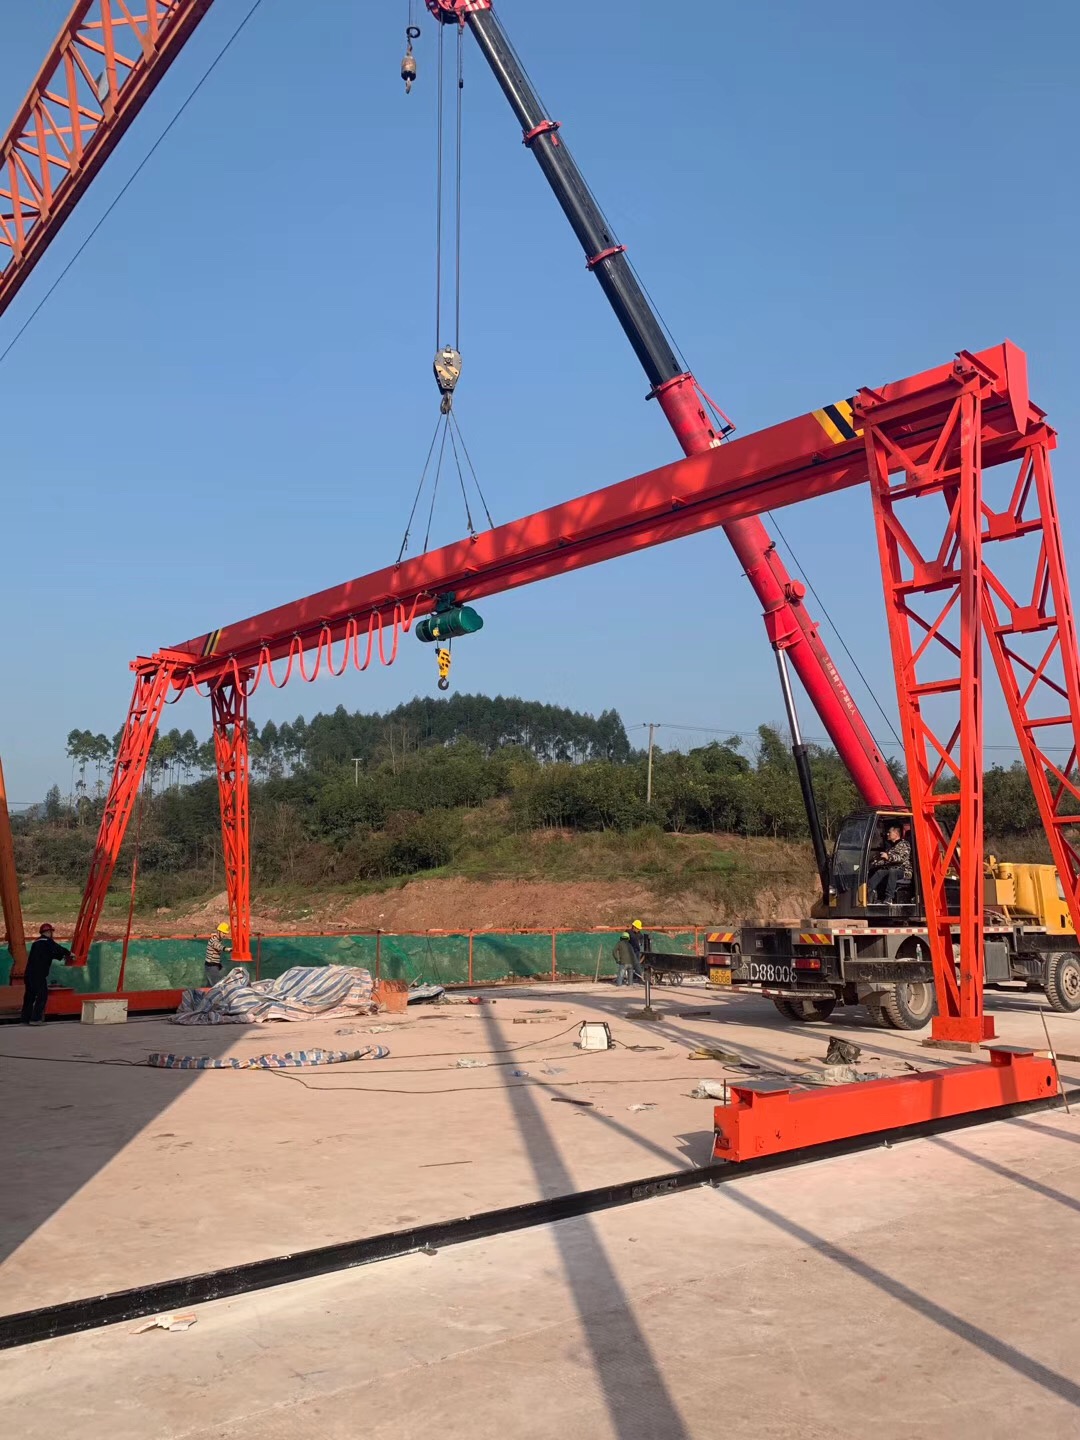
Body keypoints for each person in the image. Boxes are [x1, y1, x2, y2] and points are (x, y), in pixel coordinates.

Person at [21, 923, 72, 1026]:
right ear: (49, 932)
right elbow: (58, 948)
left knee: (29, 997)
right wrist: (69, 953)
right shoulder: (47, 942)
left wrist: (60, 956)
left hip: (28, 974)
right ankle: (36, 1019)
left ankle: (25, 1018)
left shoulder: (36, 943)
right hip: (38, 975)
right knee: (42, 995)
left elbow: (49, 954)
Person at [869, 825, 913, 903]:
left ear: (896, 833)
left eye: (889, 832)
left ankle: (889, 897)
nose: (887, 834)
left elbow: (901, 858)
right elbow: (886, 861)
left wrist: (888, 857)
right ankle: (867, 892)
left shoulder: (904, 844)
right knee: (880, 872)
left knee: (893, 871)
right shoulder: (891, 847)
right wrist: (874, 863)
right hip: (892, 869)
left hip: (904, 871)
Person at [204, 921, 231, 986]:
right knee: (217, 985)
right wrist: (227, 949)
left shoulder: (218, 940)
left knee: (210, 985)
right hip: (211, 966)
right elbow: (218, 946)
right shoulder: (214, 940)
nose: (224, 935)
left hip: (213, 965)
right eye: (223, 933)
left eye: (225, 933)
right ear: (218, 932)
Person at [627, 919, 649, 983]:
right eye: (637, 928)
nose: (638, 930)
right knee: (635, 965)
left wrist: (641, 942)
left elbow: (641, 938)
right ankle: (639, 977)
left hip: (637, 951)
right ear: (634, 927)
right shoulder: (628, 933)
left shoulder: (639, 934)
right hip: (630, 951)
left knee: (637, 964)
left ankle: (637, 977)